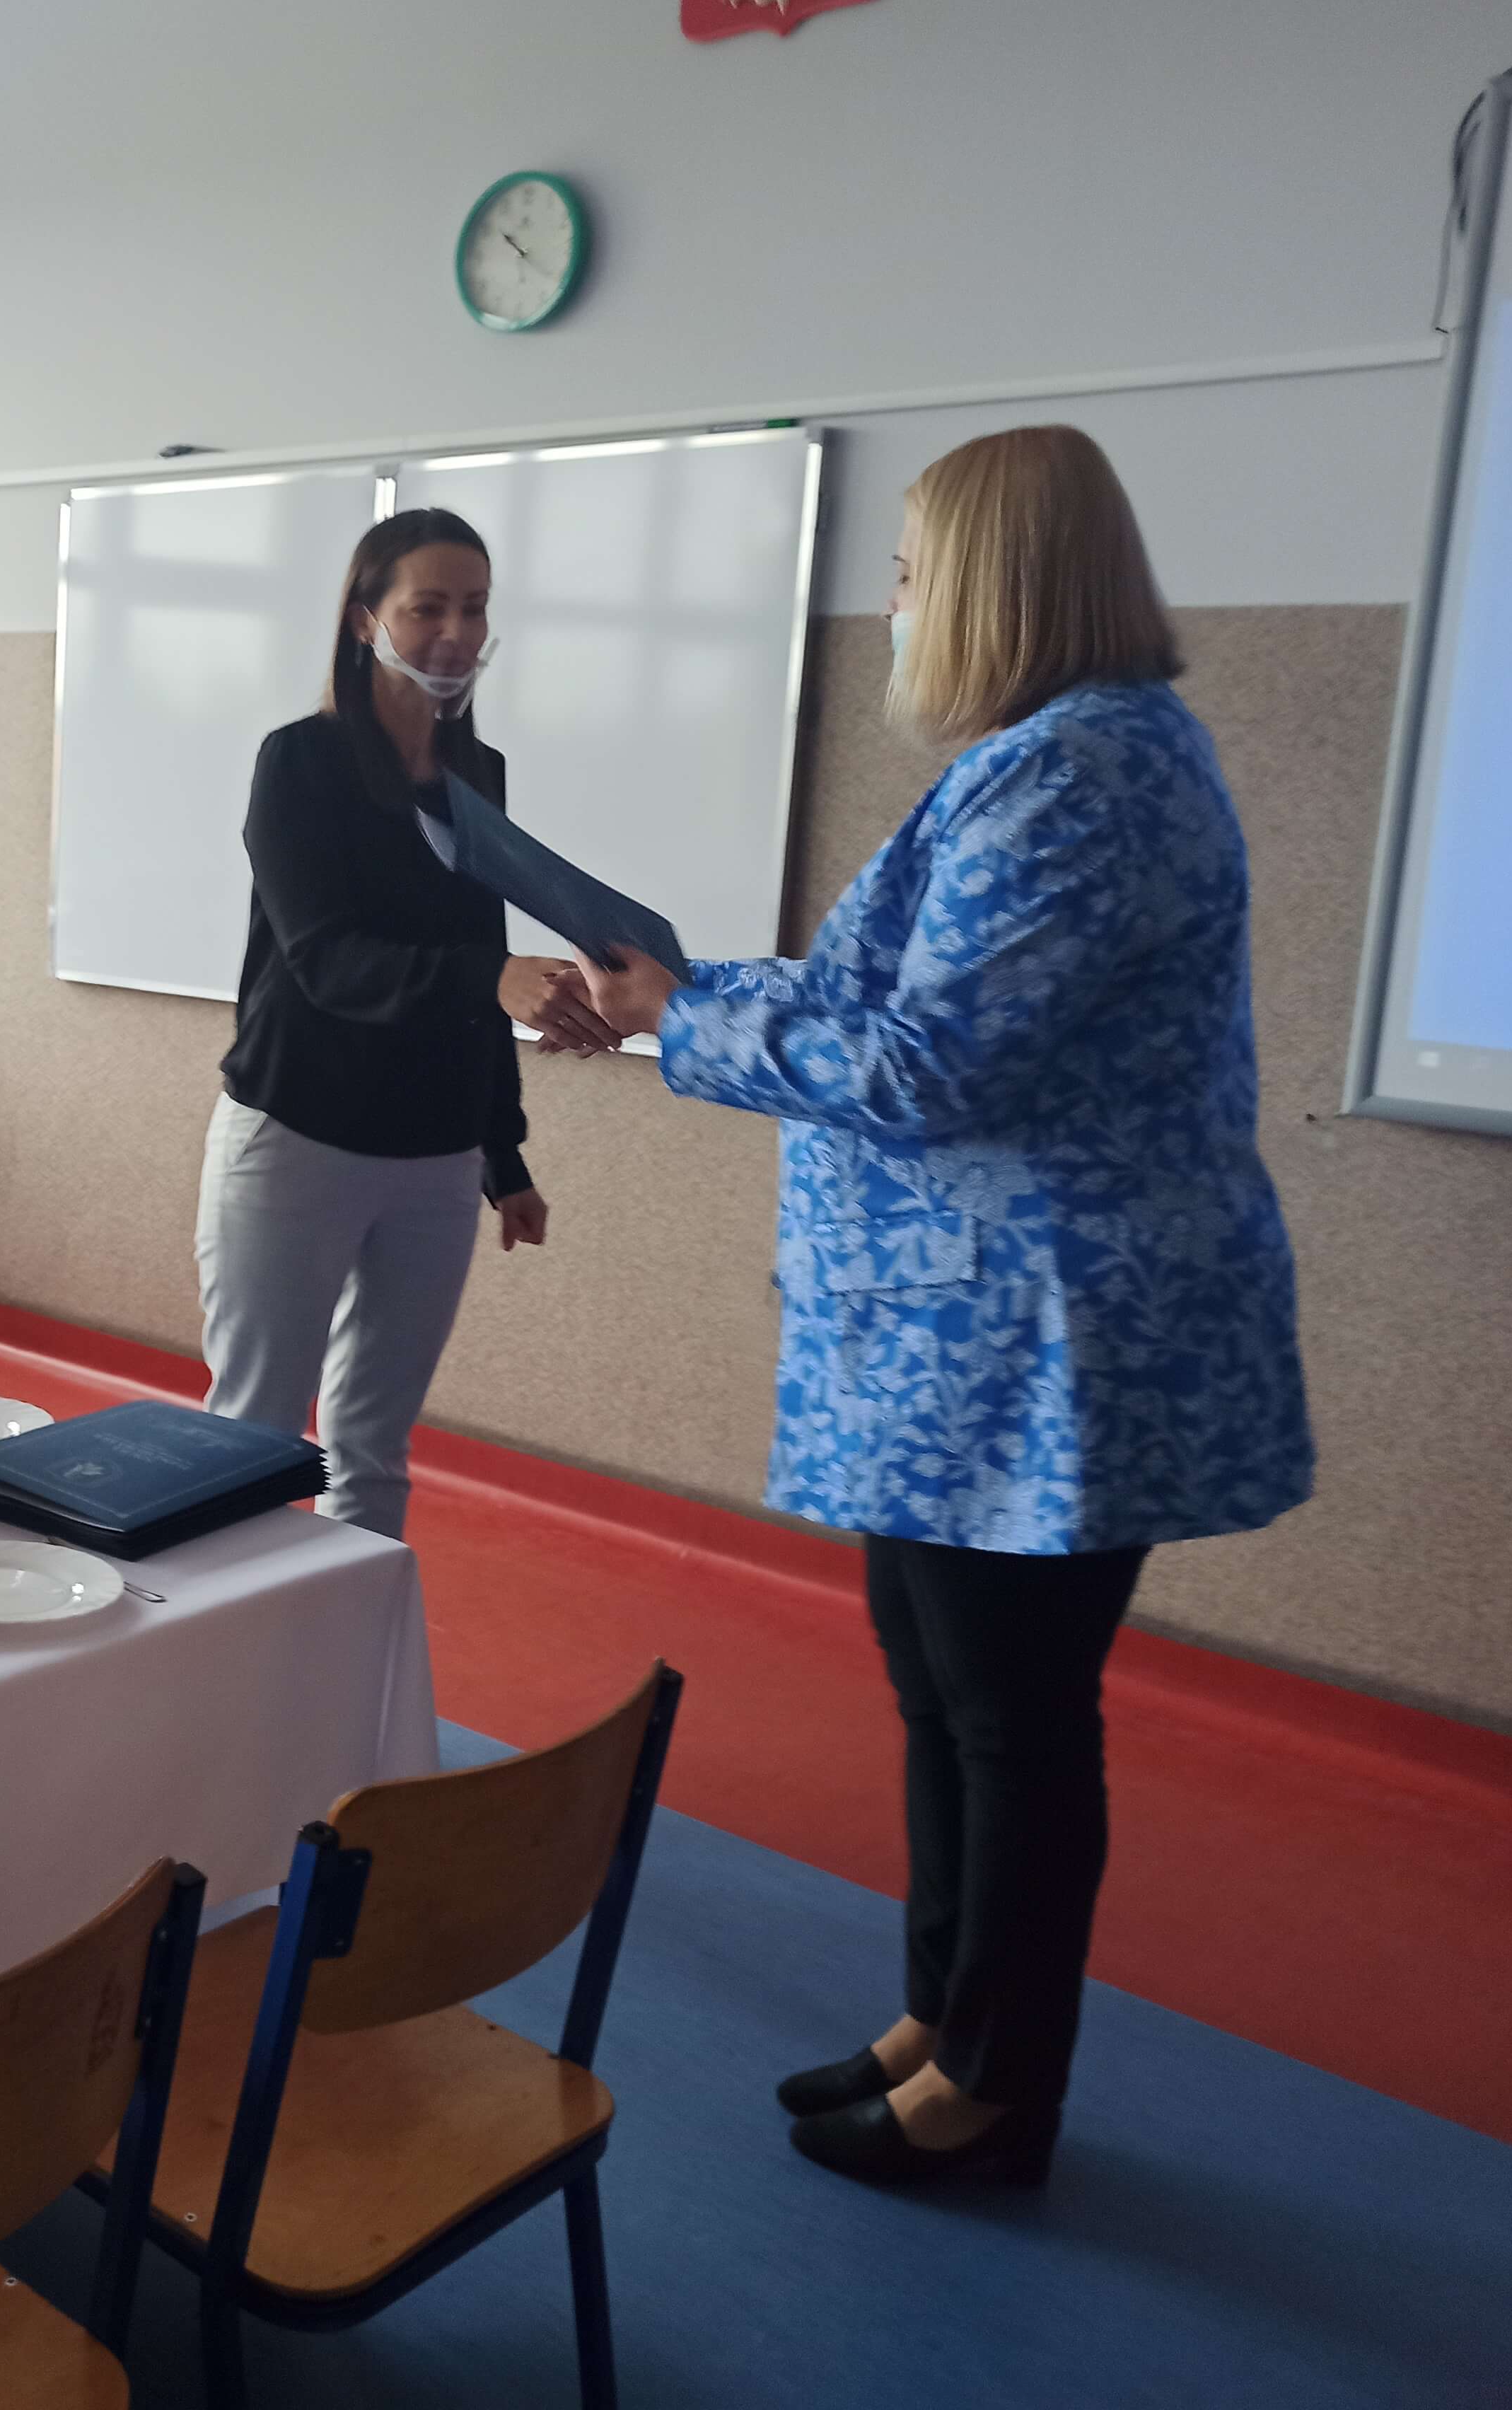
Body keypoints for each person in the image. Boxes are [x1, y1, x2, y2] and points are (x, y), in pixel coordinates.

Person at [567, 427, 1314, 2186]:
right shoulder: (1041, 760)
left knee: (1012, 1717)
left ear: (990, 582)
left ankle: (993, 2084)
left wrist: (678, 1021)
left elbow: (924, 1064)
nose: (895, 605)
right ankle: (941, 2015)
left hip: (1032, 1343)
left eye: (908, 573)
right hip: (958, 1344)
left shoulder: (1079, 775)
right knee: (941, 1688)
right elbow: (879, 995)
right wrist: (684, 989)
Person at [199, 508, 612, 1539]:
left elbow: (481, 960)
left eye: (475, 608)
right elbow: (326, 960)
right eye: (427, 607)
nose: (456, 633)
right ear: (363, 620)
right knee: (251, 1435)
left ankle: (345, 1626)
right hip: (298, 1134)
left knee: (374, 1446)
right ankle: (232, 1630)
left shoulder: (478, 774)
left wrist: (504, 1157)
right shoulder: (300, 762)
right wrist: (491, 977)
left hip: (436, 1157)